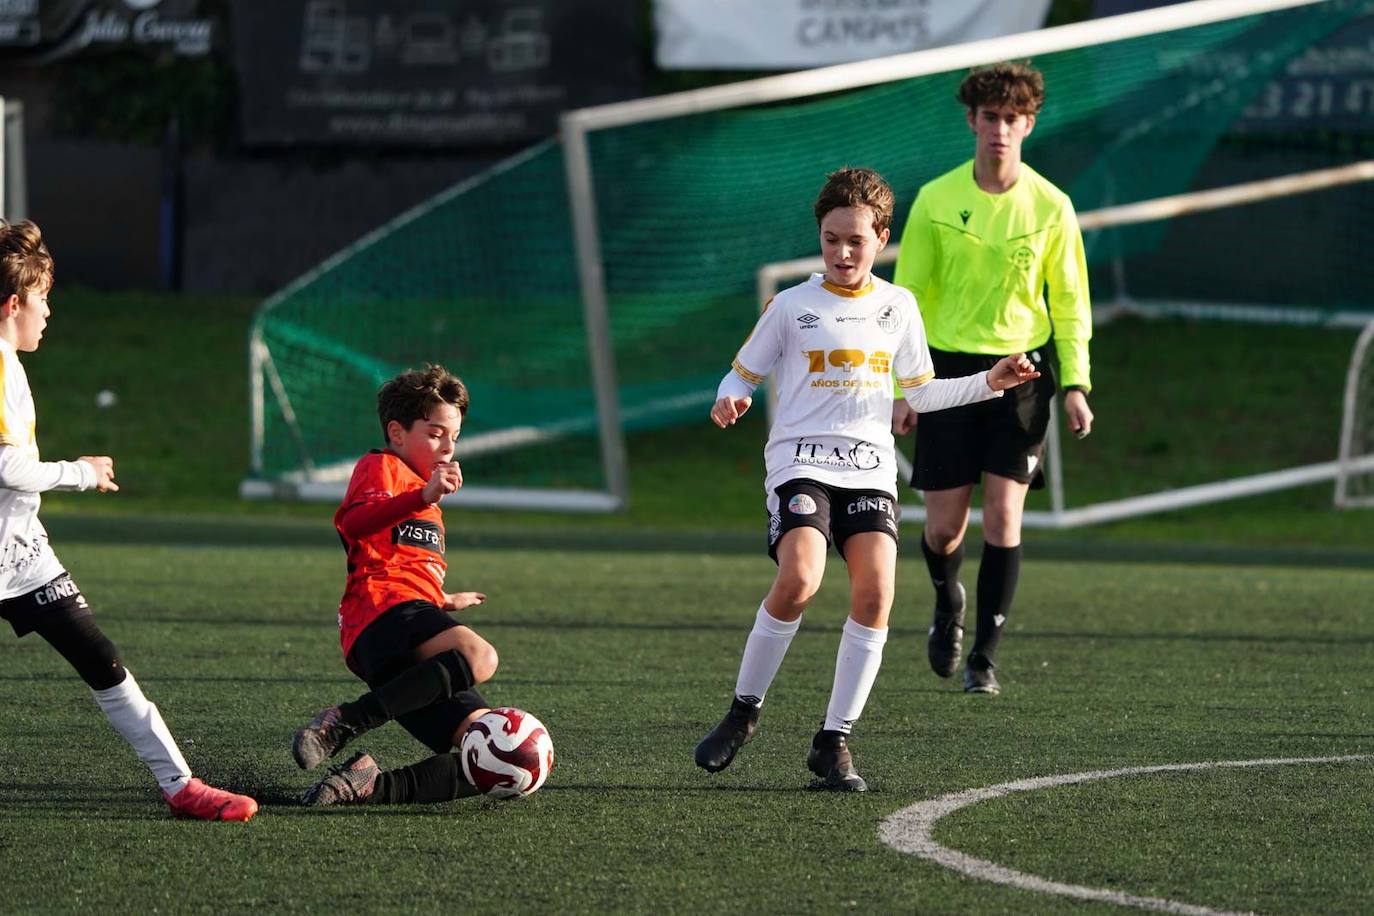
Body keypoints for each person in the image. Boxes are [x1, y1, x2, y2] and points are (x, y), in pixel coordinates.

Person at [692, 168, 1039, 791]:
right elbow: (740, 372)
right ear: (820, 238)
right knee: (799, 578)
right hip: (800, 461)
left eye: (856, 240)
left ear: (881, 238)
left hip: (871, 468)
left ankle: (834, 742)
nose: (843, 252)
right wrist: (730, 397)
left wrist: (991, 381)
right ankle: (744, 713)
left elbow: (921, 393)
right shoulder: (792, 306)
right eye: (831, 239)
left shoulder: (897, 307)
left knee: (877, 595)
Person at [0, 220, 257, 821]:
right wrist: (81, 473)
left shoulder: (11, 361)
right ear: (13, 303)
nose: (49, 312)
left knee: (101, 659)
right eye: (43, 300)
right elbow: (8, 468)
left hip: (22, 554)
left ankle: (180, 785)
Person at [891, 61, 1094, 697]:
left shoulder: (1052, 205)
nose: (1000, 130)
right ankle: (946, 599)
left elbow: (1069, 302)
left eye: (1012, 119)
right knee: (943, 529)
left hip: (1024, 374)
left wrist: (1078, 384)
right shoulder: (936, 198)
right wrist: (903, 388)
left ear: (1028, 124)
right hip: (948, 372)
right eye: (990, 118)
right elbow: (908, 297)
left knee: (1005, 518)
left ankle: (984, 658)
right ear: (972, 122)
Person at [293, 364, 500, 807]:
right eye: (435, 433)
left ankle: (366, 784)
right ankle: (344, 722)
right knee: (479, 655)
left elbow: (401, 559)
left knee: (497, 752)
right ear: (397, 432)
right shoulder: (383, 467)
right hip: (379, 615)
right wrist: (421, 496)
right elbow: (355, 523)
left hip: (407, 626)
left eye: (455, 438)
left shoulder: (427, 497)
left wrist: (442, 599)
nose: (448, 447)